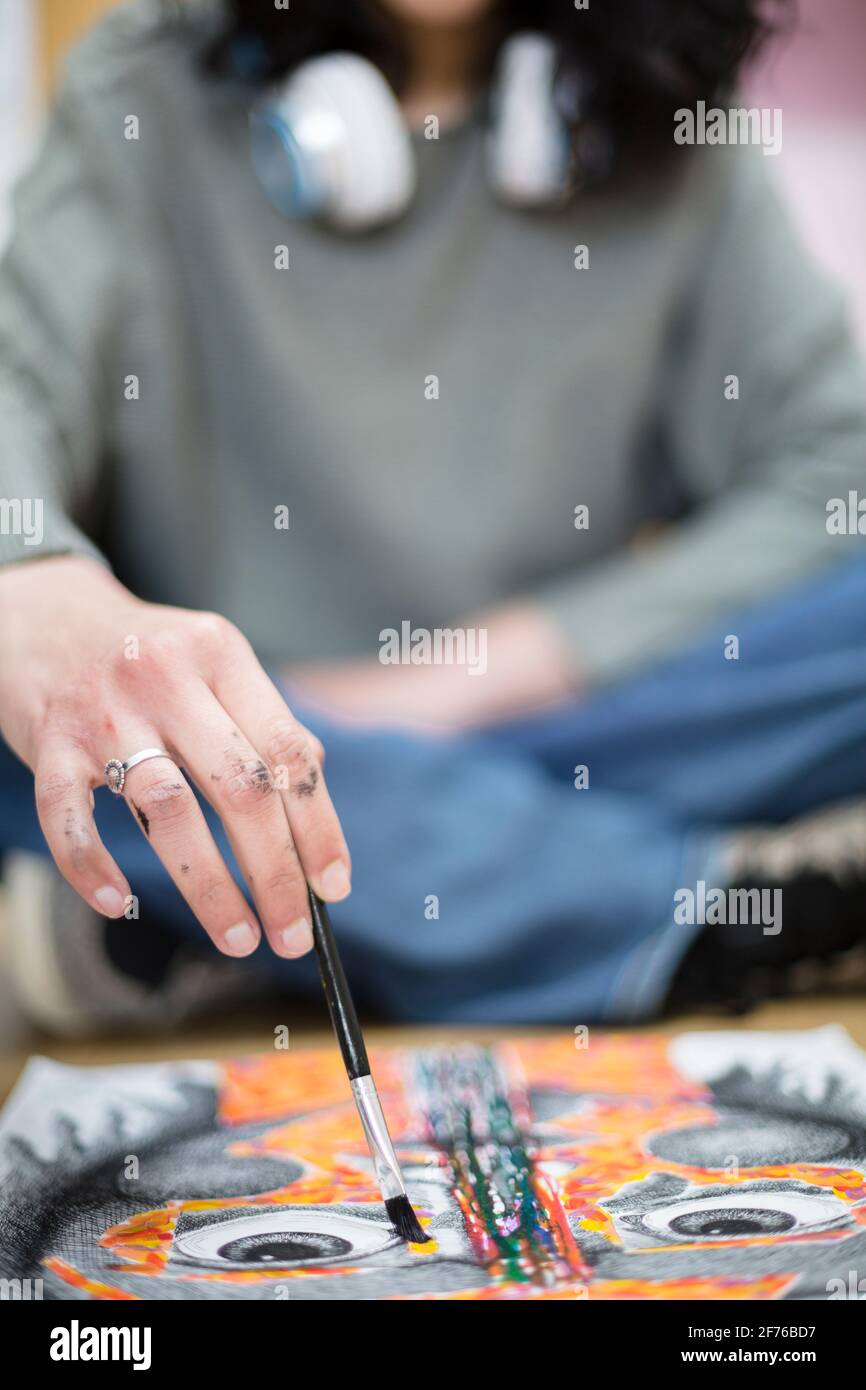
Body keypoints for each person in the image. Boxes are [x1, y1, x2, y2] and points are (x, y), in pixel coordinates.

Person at [1, 0, 865, 1031]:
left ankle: (253, 922)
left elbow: (836, 466)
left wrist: (454, 680)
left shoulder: (671, 108)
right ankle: (684, 909)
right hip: (208, 742)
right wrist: (33, 581)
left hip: (567, 725)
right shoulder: (141, 80)